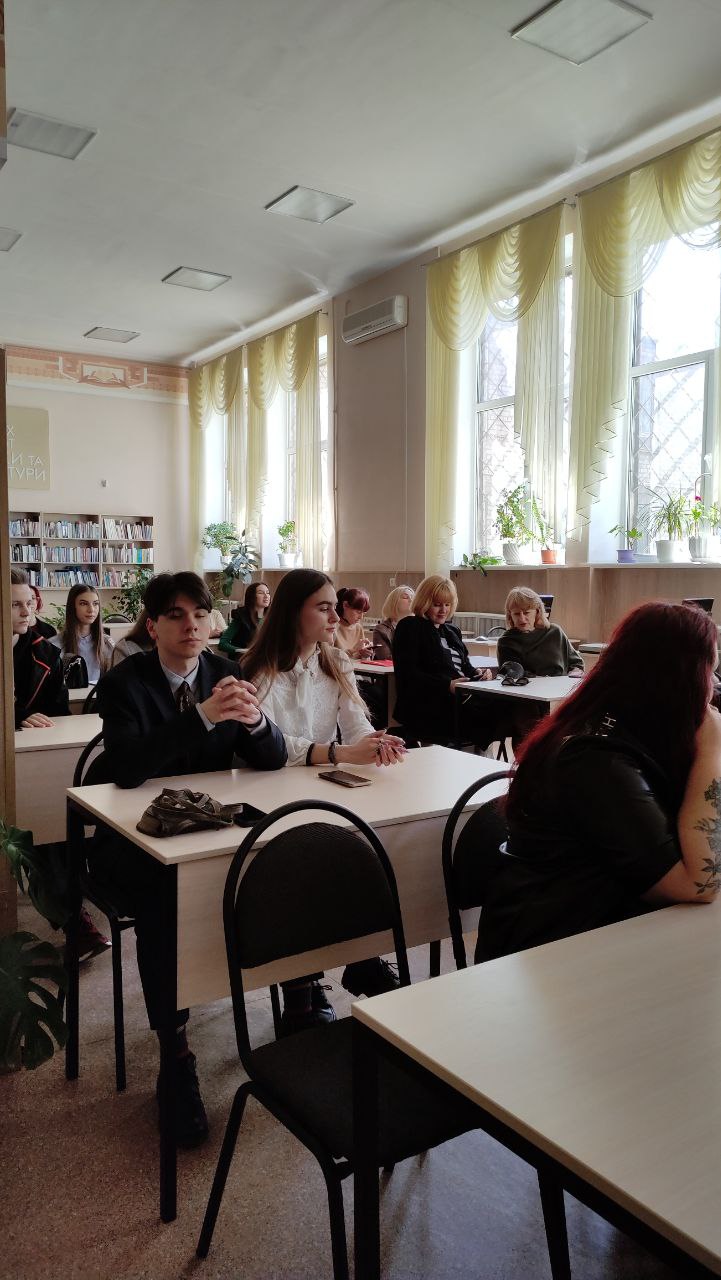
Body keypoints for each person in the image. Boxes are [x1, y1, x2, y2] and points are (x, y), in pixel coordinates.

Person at [92, 571, 287, 1147]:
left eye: (200, 614)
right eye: (176, 615)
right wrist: (202, 716)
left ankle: (301, 999)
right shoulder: (124, 683)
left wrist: (254, 721)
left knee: (283, 864)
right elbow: (126, 768)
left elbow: (272, 759)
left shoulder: (227, 672)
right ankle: (175, 1051)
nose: (191, 626)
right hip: (138, 841)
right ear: (152, 626)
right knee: (165, 900)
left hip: (210, 833)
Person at [477, 602, 721, 964]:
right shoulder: (596, 759)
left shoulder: (634, 730)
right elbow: (697, 882)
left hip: (605, 931)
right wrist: (713, 748)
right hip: (553, 950)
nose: (713, 687)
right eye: (710, 672)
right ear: (679, 678)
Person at [243, 568, 407, 1032]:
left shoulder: (335, 661)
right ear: (293, 612)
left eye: (336, 606)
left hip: (322, 785)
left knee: (368, 844)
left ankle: (362, 956)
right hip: (270, 792)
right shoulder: (259, 668)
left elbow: (355, 727)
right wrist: (339, 753)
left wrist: (374, 743)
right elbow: (273, 746)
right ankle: (302, 984)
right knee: (300, 863)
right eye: (324, 607)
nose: (336, 616)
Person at [10, 568, 110, 959]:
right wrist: (18, 715)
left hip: (33, 757)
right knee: (36, 833)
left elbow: (57, 714)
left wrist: (31, 720)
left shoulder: (46, 651)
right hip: (10, 757)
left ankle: (76, 919)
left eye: (29, 603)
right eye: (15, 605)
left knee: (53, 821)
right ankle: (74, 919)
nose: (26, 612)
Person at [392, 575, 499, 748]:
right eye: (437, 604)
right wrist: (446, 685)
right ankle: (478, 755)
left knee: (505, 707)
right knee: (489, 714)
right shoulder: (410, 627)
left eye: (447, 605)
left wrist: (478, 674)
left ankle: (480, 754)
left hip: (460, 697)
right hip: (431, 702)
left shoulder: (452, 631)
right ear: (424, 603)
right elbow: (408, 674)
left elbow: (465, 666)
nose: (443, 610)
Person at [497, 586, 584, 675]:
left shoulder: (555, 632)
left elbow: (577, 663)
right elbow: (512, 674)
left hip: (561, 683)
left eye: (526, 613)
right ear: (510, 616)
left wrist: (575, 672)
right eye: (516, 614)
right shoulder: (506, 641)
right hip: (529, 684)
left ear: (537, 612)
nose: (522, 619)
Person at [51, 584, 113, 684]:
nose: (91, 609)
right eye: (83, 604)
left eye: (95, 604)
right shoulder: (54, 646)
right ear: (73, 607)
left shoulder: (107, 644)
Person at [218, 581, 271, 658]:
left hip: (264, 659)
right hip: (243, 660)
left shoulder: (271, 618)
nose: (266, 596)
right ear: (252, 597)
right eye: (261, 593)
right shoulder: (241, 617)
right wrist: (245, 651)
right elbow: (222, 644)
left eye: (268, 593)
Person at [372, 584, 415, 660]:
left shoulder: (420, 627)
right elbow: (385, 658)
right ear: (394, 602)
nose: (411, 600)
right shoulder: (381, 630)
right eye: (406, 597)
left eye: (413, 597)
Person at [334, 585, 373, 659]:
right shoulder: (333, 627)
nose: (361, 617)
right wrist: (354, 650)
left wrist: (365, 655)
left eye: (364, 613)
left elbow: (359, 659)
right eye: (358, 612)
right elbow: (329, 658)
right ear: (345, 605)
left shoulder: (358, 627)